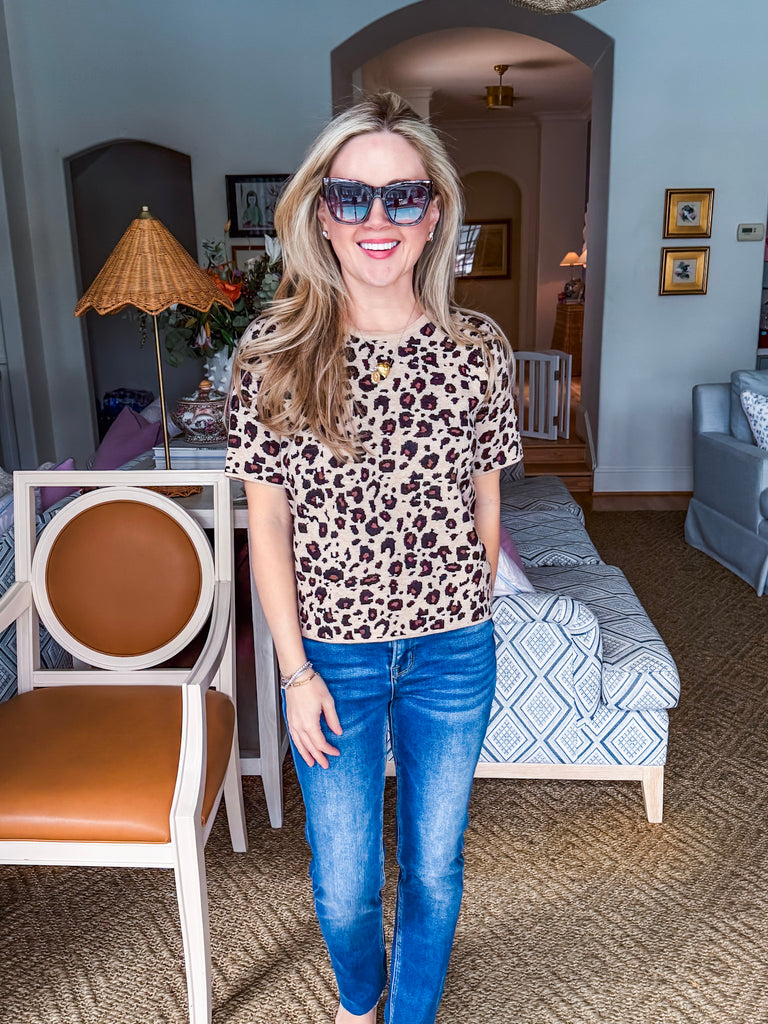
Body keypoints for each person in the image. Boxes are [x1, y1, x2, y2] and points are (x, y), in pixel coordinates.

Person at [225, 92, 521, 1024]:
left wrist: (467, 602)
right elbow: (267, 529)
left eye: (404, 195)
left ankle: (408, 1014)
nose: (378, 218)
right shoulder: (273, 353)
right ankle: (361, 999)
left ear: (434, 213)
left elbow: (486, 499)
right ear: (322, 212)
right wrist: (293, 672)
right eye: (352, 196)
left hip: (453, 651)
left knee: (435, 863)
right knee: (346, 879)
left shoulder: (477, 350)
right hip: (331, 660)